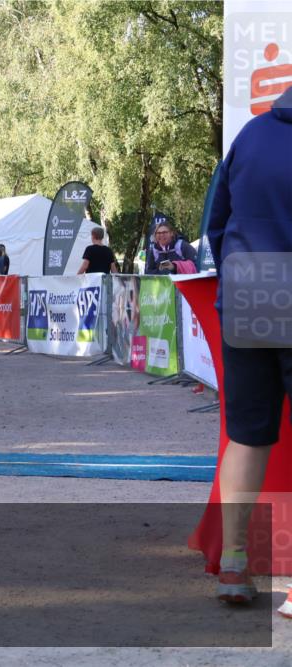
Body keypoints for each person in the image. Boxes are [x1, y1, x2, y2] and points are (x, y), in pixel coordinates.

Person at [206, 86, 292, 605]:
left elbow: (215, 226)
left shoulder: (250, 135)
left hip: (248, 293)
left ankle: (234, 566)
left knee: (247, 435)